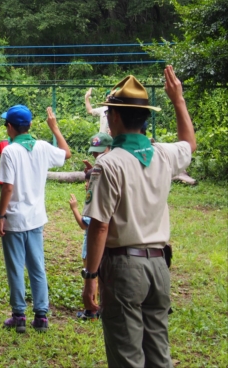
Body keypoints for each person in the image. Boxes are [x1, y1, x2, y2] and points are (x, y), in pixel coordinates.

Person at [81, 66, 195, 367]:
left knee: (127, 357)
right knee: (159, 354)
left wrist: (91, 277)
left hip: (123, 268)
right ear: (145, 118)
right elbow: (189, 145)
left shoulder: (107, 165)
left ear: (115, 117)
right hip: (159, 266)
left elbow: (100, 225)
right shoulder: (164, 155)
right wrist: (178, 101)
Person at [0, 105, 71, 333]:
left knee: (15, 268)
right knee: (37, 267)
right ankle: (41, 316)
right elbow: (66, 154)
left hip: (15, 219)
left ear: (10, 127)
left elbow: (7, 187)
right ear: (29, 126)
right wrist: (55, 128)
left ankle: (19, 315)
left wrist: (0, 215)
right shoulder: (42, 147)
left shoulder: (9, 151)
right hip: (36, 218)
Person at [69, 169, 98, 320]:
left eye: (90, 181)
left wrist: (74, 208)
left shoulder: (93, 200)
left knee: (90, 276)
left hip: (91, 245)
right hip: (93, 244)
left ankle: (91, 310)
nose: (87, 184)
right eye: (86, 181)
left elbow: (83, 224)